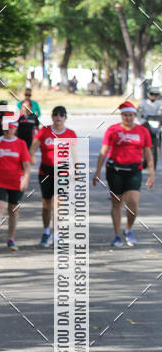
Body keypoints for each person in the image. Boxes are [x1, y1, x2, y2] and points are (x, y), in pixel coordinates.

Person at [92, 101, 154, 247]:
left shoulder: (142, 131)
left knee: (133, 202)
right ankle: (117, 234)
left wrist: (152, 174)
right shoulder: (113, 130)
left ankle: (128, 230)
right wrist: (97, 171)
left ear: (135, 115)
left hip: (134, 170)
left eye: (131, 115)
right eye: (125, 115)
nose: (128, 118)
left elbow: (148, 153)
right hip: (115, 170)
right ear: (121, 116)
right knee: (117, 202)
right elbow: (104, 151)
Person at [29, 106, 77, 247]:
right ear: (52, 117)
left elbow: (75, 154)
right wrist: (32, 157)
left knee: (59, 205)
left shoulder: (70, 134)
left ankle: (58, 236)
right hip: (46, 173)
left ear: (65, 118)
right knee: (46, 206)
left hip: (62, 173)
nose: (58, 117)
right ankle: (46, 232)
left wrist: (76, 171)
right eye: (56, 114)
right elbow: (32, 149)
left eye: (61, 115)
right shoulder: (44, 131)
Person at [0, 117, 31, 252]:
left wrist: (25, 179)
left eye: (11, 128)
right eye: (6, 128)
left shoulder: (21, 143)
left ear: (16, 128)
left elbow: (26, 165)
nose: (8, 130)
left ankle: (11, 239)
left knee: (13, 211)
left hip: (16, 182)